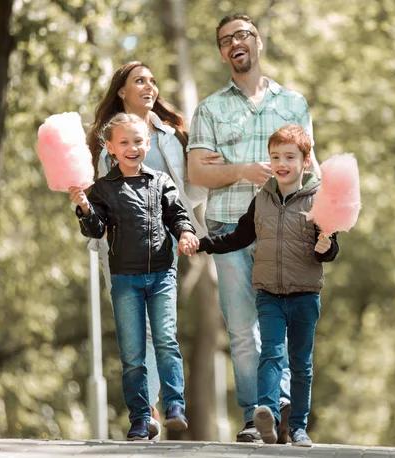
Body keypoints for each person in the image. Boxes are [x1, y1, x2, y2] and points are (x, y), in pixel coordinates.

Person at [186, 13, 320, 443]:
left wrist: (324, 220)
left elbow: (309, 166)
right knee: (244, 329)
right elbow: (197, 174)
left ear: (258, 43)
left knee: (282, 327)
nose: (234, 43)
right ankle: (253, 414)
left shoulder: (293, 104)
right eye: (225, 40)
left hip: (287, 230)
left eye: (242, 35)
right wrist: (242, 170)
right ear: (223, 52)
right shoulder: (210, 107)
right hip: (229, 225)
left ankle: (279, 408)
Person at [85, 61, 220, 439]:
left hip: (163, 252)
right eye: (139, 80)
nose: (149, 86)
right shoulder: (107, 144)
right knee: (135, 339)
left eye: (152, 80)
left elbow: (186, 194)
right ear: (122, 92)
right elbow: (99, 204)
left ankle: (162, 405)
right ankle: (147, 412)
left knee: (162, 335)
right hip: (121, 255)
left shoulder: (169, 134)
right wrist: (86, 212)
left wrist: (187, 228)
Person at [195, 125, 338, 447]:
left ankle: (299, 427)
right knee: (271, 354)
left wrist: (326, 246)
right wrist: (203, 244)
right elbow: (239, 237)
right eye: (275, 157)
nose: (281, 163)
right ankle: (268, 416)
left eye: (289, 156)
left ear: (305, 161)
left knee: (301, 363)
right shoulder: (262, 199)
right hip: (269, 294)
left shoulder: (319, 201)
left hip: (304, 295)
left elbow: (330, 248)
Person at [71, 113, 199, 440]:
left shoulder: (161, 181)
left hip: (161, 275)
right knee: (131, 354)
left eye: (138, 141)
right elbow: (97, 229)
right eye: (124, 142)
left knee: (167, 340)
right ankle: (140, 417)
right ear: (110, 148)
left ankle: (174, 406)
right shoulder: (102, 189)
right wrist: (85, 208)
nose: (132, 147)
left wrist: (184, 234)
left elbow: (178, 215)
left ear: (148, 143)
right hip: (125, 280)